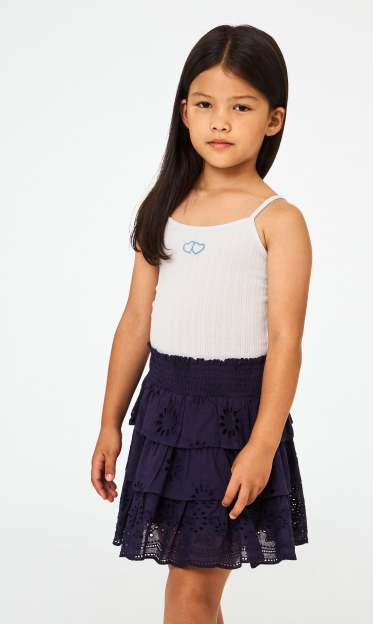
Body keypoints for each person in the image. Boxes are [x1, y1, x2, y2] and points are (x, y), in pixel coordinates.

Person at [91, 23, 312, 624]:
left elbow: (286, 342)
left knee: (190, 592)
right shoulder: (163, 208)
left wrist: (262, 445)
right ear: (183, 111)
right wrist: (109, 422)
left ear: (273, 120)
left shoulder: (278, 220)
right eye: (206, 104)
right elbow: (136, 321)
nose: (221, 122)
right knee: (193, 590)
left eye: (241, 107)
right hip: (165, 414)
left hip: (232, 421)